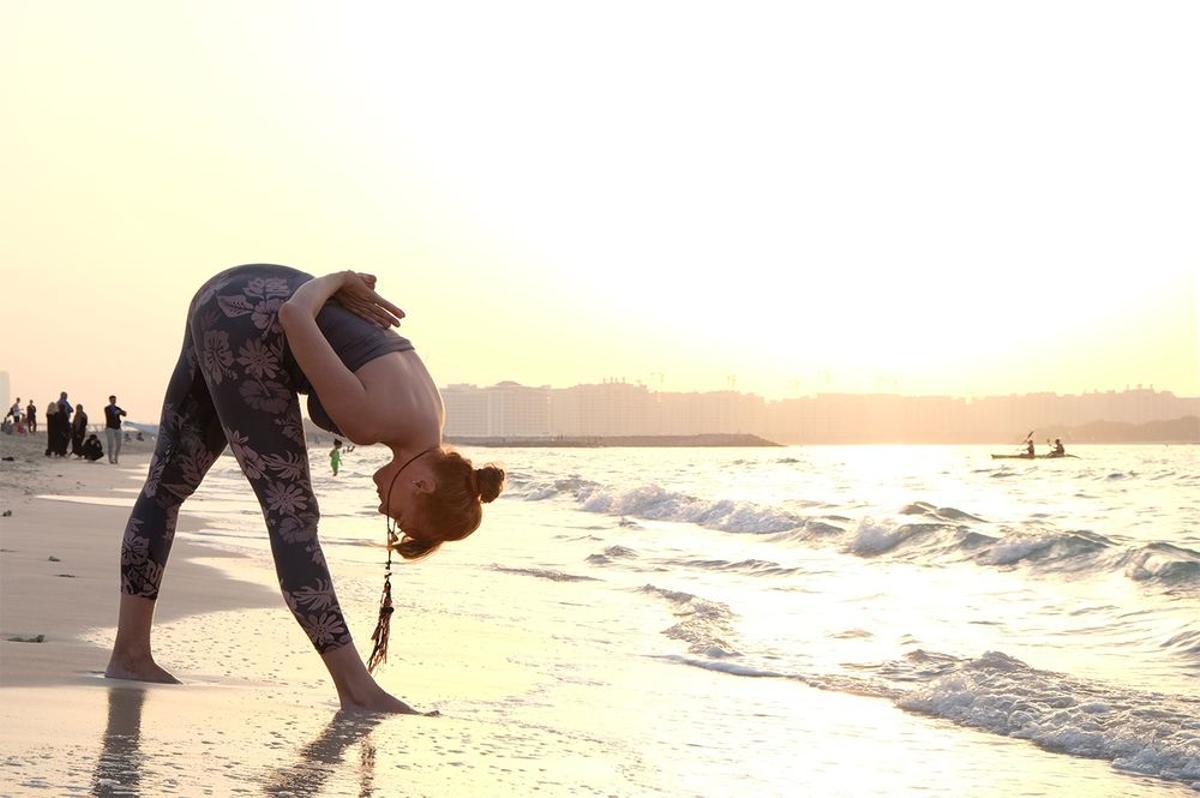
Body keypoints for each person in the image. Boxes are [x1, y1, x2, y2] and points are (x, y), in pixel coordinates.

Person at [105, 265, 505, 715]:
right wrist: (338, 279)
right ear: (422, 484)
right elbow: (296, 315)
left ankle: (130, 655)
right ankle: (357, 690)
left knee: (166, 488)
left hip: (229, 295)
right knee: (292, 517)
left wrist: (334, 289)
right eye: (399, 516)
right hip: (251, 319)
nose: (383, 513)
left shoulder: (429, 414)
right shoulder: (375, 421)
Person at [104, 396, 128, 464]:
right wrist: (116, 412)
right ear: (110, 400)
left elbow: (124, 414)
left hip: (117, 427)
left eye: (114, 400)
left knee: (119, 444)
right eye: (112, 400)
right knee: (110, 444)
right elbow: (109, 415)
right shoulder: (107, 408)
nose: (113, 401)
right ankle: (110, 459)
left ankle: (116, 457)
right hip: (110, 428)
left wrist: (121, 412)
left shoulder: (118, 408)